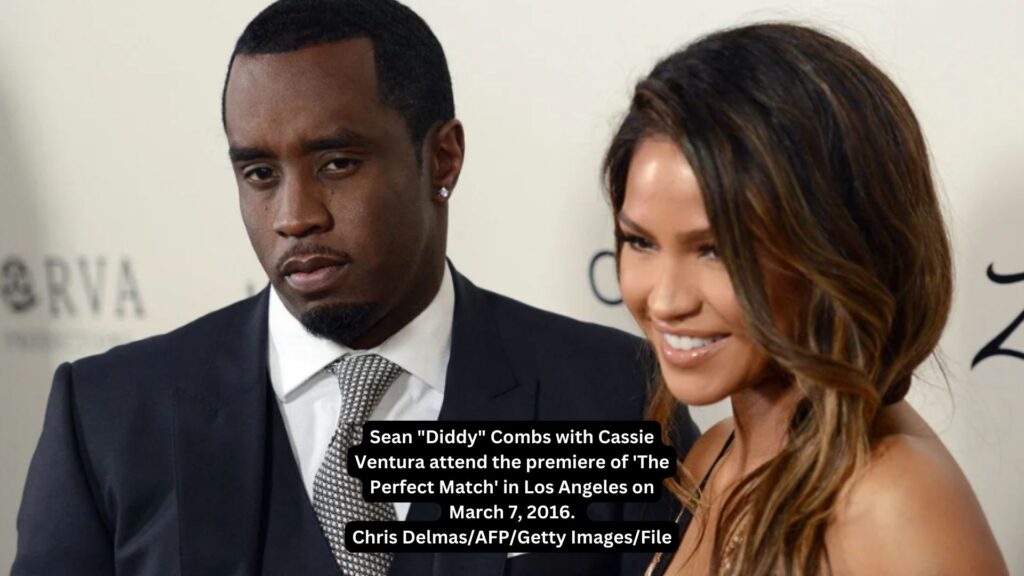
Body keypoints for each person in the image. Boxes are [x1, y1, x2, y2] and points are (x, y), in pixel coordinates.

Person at [11, 1, 698, 575]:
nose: (294, 216)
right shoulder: (109, 417)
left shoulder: (611, 396)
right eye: (259, 174)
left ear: (443, 156)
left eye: (337, 163)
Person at [603, 23, 1009, 576]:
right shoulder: (712, 456)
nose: (667, 301)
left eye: (717, 251)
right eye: (640, 241)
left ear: (835, 248)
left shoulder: (893, 504)